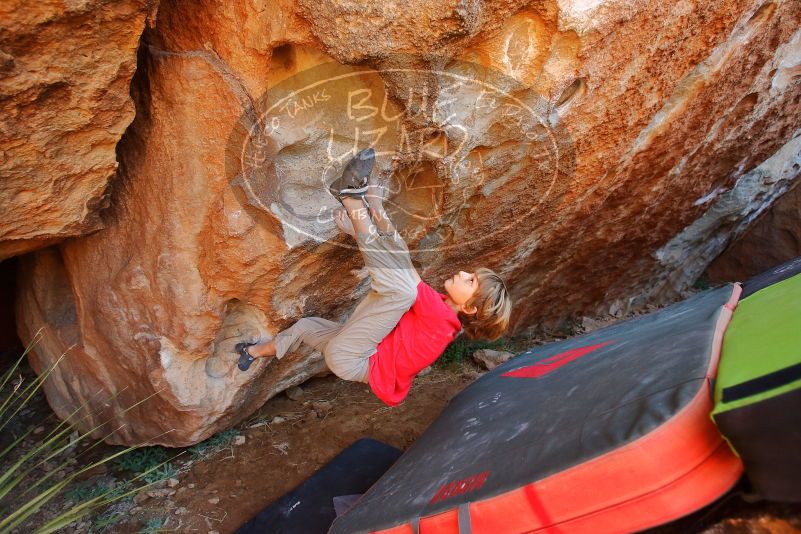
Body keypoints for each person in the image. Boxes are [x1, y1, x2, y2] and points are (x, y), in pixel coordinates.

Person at [236, 148, 512, 406]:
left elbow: (404, 269)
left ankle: (350, 196)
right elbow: (400, 260)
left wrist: (367, 213)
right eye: (471, 275)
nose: (463, 273)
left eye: (471, 281)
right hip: (349, 351)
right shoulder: (439, 311)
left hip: (353, 358)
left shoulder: (440, 321)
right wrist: (371, 212)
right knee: (306, 327)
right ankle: (251, 353)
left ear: (470, 307)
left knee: (403, 291)